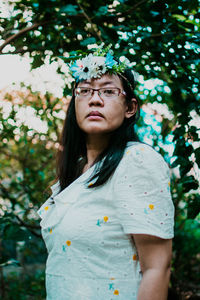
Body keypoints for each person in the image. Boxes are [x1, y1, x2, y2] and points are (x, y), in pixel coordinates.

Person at [37, 45, 175, 300]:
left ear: (130, 107)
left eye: (109, 91)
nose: (95, 99)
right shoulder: (76, 173)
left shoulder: (137, 161)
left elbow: (157, 268)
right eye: (85, 91)